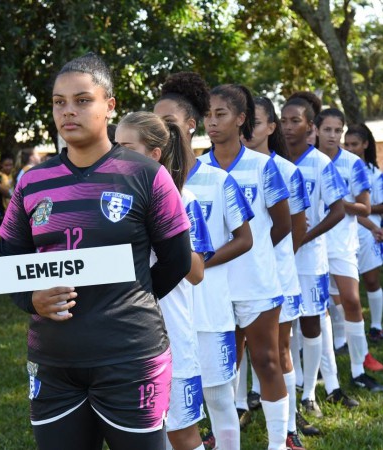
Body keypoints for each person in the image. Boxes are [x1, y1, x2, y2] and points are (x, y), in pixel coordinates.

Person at [0, 53, 192, 450]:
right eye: (59, 102)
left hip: (130, 359)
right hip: (53, 364)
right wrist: (31, 298)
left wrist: (129, 297)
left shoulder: (145, 174)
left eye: (83, 100)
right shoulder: (32, 182)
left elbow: (177, 259)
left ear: (109, 106)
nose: (68, 111)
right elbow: (8, 262)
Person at [154, 72, 254, 450]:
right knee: (168, 410)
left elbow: (245, 239)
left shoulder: (217, 179)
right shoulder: (146, 185)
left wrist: (193, 265)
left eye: (168, 123)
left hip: (210, 311)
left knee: (218, 399)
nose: (159, 130)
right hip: (165, 316)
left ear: (190, 125)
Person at [200, 84, 291, 450]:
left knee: (267, 361)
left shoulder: (264, 166)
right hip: (213, 285)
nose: (211, 122)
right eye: (207, 115)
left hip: (256, 283)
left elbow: (282, 225)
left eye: (220, 114)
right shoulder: (198, 168)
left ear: (241, 120)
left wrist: (255, 257)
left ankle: (277, 443)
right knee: (223, 369)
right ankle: (224, 440)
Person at [116, 111, 214, 450]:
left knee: (183, 435)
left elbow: (197, 272)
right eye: (114, 147)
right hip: (122, 334)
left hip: (171, 333)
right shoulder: (109, 202)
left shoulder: (183, 200)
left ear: (154, 155)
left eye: (126, 147)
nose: (116, 156)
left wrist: (165, 231)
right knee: (141, 435)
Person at [240, 97, 311, 449]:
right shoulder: (221, 169)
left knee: (278, 352)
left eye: (257, 122)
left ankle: (289, 427)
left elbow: (296, 228)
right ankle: (238, 409)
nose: (249, 129)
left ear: (271, 127)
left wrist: (264, 260)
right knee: (234, 349)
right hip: (231, 276)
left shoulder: (285, 170)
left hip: (276, 276)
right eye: (246, 120)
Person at [280, 96, 348, 420]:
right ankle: (291, 386)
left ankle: (310, 393)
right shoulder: (274, 161)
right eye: (284, 120)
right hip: (281, 259)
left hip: (310, 260)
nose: (288, 127)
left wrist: (305, 236)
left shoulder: (320, 163)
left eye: (295, 121)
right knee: (284, 325)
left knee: (310, 322)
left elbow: (338, 210)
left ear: (310, 127)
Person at [316, 108, 383, 393]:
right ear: (317, 130)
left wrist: (337, 202)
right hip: (311, 244)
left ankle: (358, 369)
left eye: (337, 130)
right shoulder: (306, 161)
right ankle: (320, 369)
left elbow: (365, 207)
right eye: (327, 129)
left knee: (352, 302)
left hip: (343, 244)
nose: (332, 135)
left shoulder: (352, 163)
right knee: (319, 311)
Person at [344, 124, 383, 343]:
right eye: (346, 144)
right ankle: (344, 335)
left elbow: (378, 205)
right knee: (345, 287)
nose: (350, 149)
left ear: (365, 145)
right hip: (344, 230)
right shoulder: (335, 167)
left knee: (370, 279)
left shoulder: (374, 175)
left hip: (369, 233)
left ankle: (376, 326)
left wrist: (362, 208)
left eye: (354, 144)